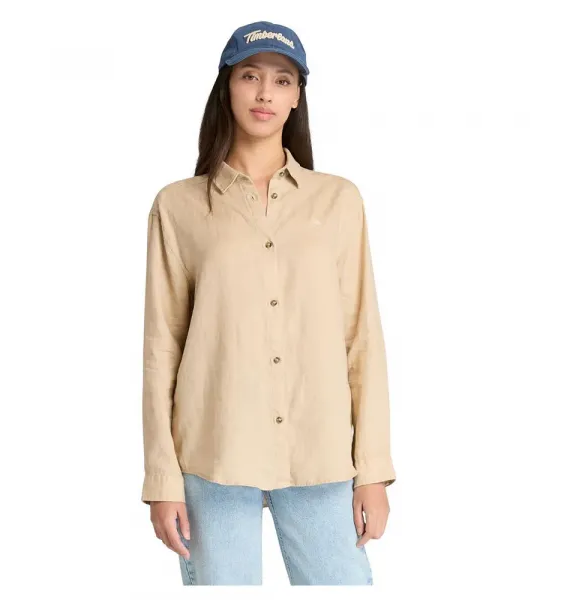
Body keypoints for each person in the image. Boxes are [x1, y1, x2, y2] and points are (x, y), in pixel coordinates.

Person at [140, 20, 397, 585]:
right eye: (249, 76)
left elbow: (362, 339)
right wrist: (162, 480)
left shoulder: (338, 201)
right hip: (213, 456)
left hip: (320, 455)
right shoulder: (178, 207)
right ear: (226, 88)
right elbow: (162, 349)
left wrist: (373, 471)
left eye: (282, 81)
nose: (264, 93)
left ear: (297, 96)